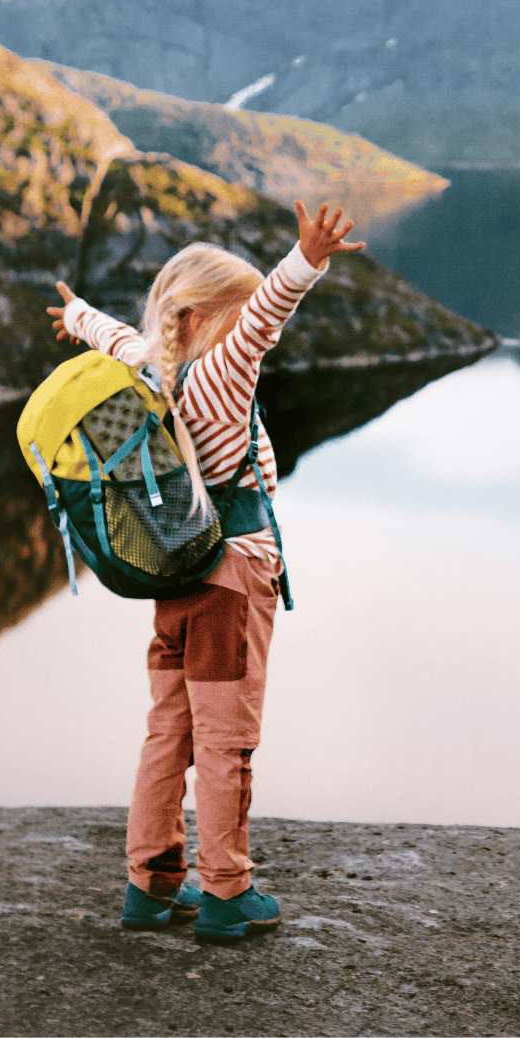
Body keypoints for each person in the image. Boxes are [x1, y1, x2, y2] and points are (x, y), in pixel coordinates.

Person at [45, 201, 365, 943]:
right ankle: (226, 891)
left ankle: (150, 884)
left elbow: (117, 335)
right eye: (239, 311)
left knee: (169, 733)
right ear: (200, 317)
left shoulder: (147, 371)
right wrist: (305, 260)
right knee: (228, 743)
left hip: (176, 582)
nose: (256, 328)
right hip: (233, 584)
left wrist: (79, 317)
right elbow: (267, 315)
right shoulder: (223, 373)